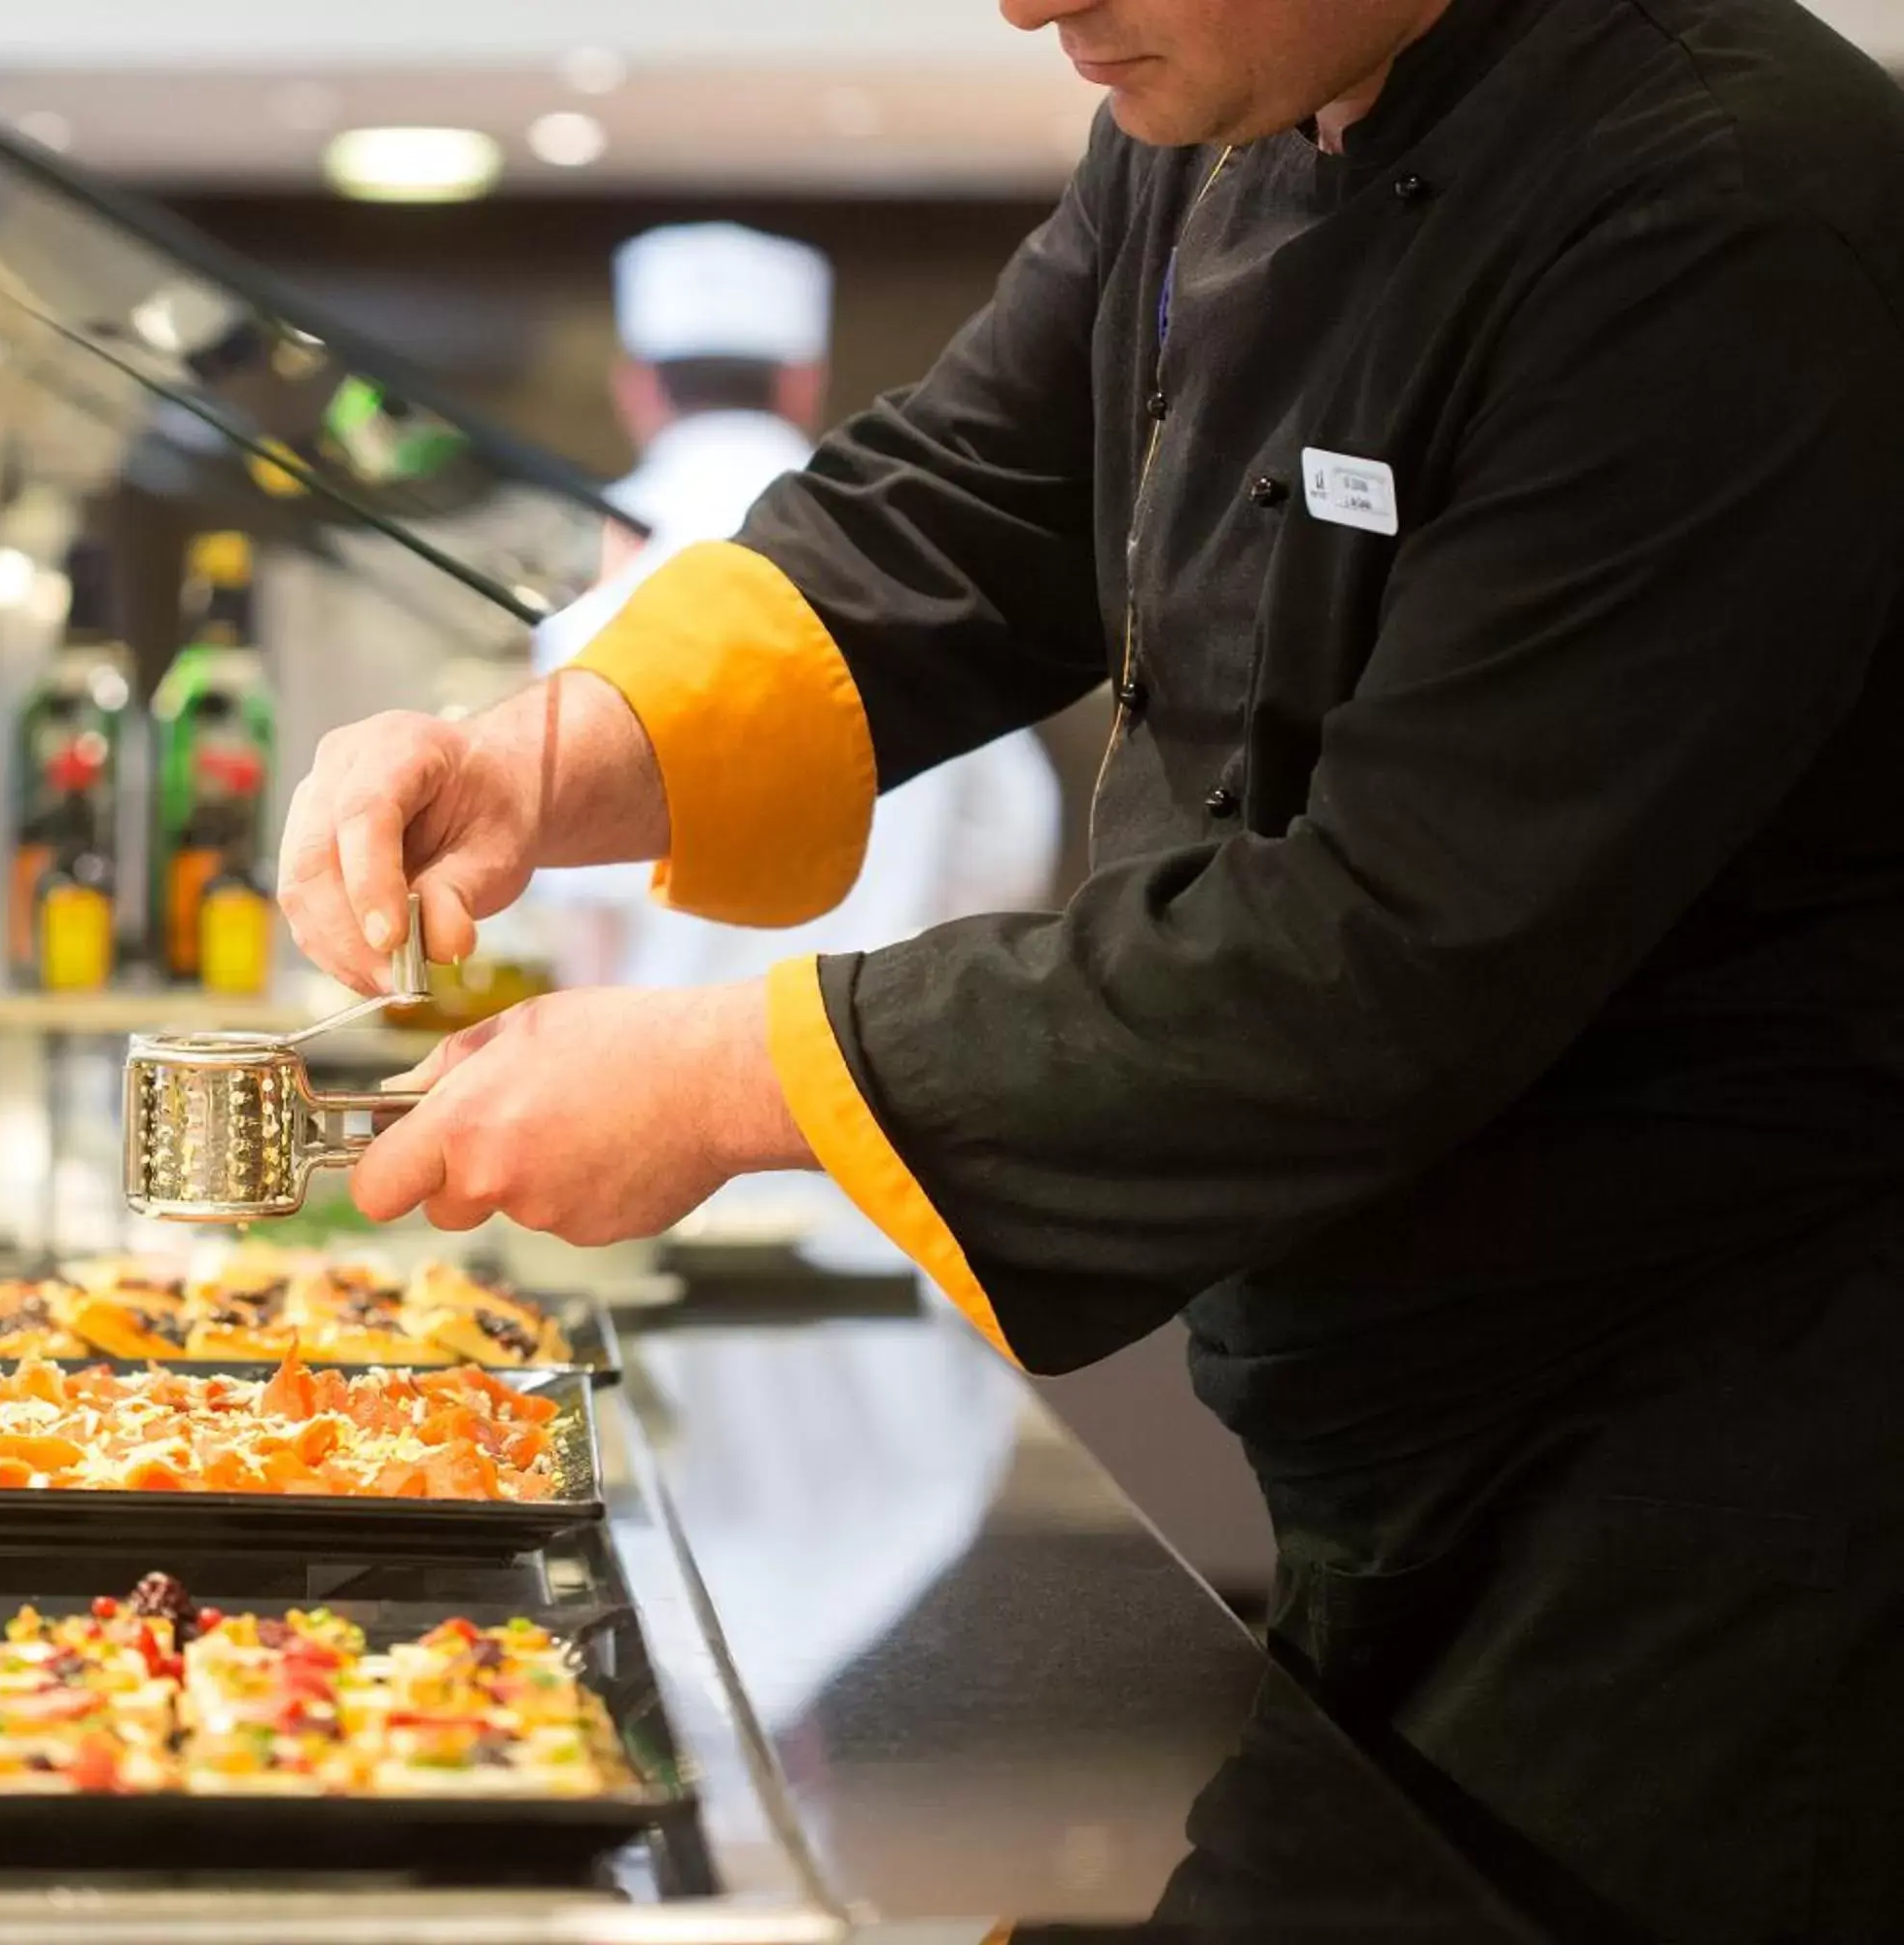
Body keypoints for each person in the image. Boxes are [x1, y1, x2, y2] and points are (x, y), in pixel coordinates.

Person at [277, 0, 1904, 1936]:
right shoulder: (1216, 107)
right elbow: (973, 503)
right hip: (1406, 1419)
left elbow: (1381, 950)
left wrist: (723, 1078)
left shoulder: (1717, 209)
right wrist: (538, 763)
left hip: (1725, 1491)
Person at [523, 222, 1063, 1268]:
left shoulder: (607, 575)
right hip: (879, 1135)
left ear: (638, 386)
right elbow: (1010, 836)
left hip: (648, 1157)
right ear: (803, 382)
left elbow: (579, 915)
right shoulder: (906, 556)